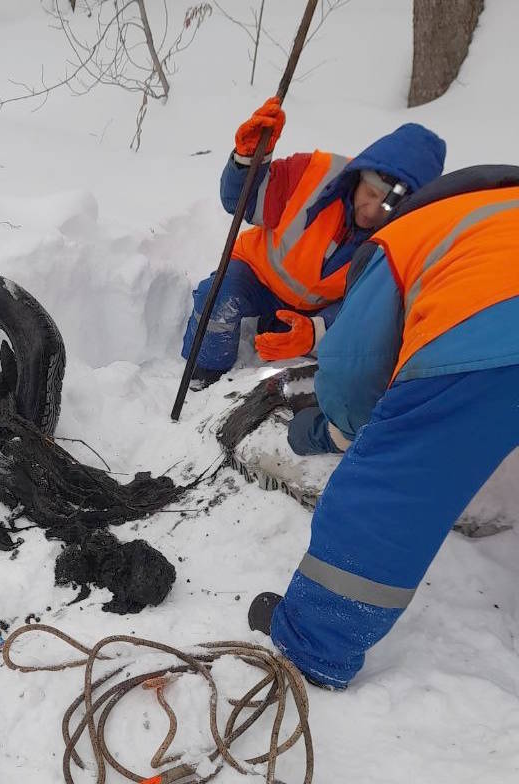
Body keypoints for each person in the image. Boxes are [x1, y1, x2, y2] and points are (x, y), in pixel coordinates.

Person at [248, 164, 519, 689]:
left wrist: (335, 431)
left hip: (488, 336)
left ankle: (316, 644)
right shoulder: (492, 214)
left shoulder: (401, 238)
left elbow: (353, 374)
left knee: (389, 487)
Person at [181, 97, 446, 388]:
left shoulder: (403, 240)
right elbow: (241, 201)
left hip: (315, 308)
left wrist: (316, 330)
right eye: (370, 193)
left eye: (386, 207)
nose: (371, 212)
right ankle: (204, 375)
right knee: (218, 297)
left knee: (347, 346)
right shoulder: (312, 174)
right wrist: (247, 161)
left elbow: (367, 307)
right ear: (359, 176)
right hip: (256, 273)